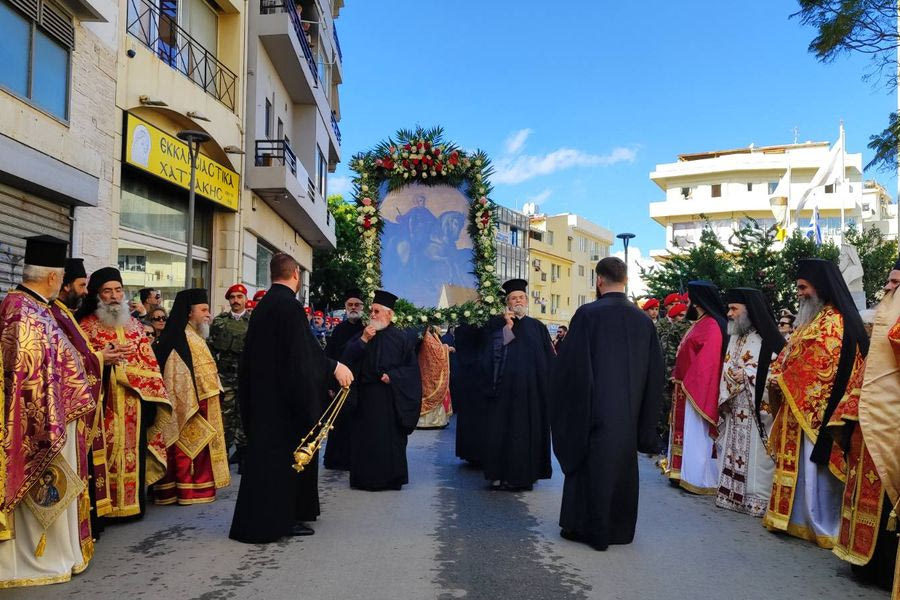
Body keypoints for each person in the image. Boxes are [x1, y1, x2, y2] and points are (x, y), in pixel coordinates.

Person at [229, 253, 353, 543]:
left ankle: (275, 517)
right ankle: (280, 520)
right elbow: (303, 355)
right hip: (281, 403)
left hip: (263, 397)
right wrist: (334, 367)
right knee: (281, 463)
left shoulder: (264, 306)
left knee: (266, 463)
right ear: (295, 274)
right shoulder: (288, 306)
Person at [0, 235, 97, 587]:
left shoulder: (33, 307)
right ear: (54, 278)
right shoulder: (23, 311)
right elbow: (25, 376)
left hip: (59, 416)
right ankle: (35, 561)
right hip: (39, 423)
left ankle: (58, 554)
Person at [550, 256, 663, 551]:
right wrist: (645, 421)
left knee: (590, 470)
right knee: (622, 470)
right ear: (625, 281)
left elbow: (572, 371)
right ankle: (619, 529)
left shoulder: (587, 315)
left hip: (593, 413)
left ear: (599, 281)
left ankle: (587, 528)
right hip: (628, 416)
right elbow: (655, 375)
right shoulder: (644, 321)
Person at [763, 259, 868, 548]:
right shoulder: (814, 319)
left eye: (803, 287)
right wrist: (781, 374)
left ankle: (816, 523)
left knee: (813, 470)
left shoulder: (834, 321)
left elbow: (823, 366)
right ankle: (792, 519)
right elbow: (791, 355)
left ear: (819, 287)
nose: (798, 293)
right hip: (798, 405)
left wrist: (783, 377)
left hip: (818, 411)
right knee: (799, 466)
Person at [76, 267, 173, 519]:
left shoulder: (135, 326)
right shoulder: (85, 327)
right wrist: (105, 363)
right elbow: (77, 365)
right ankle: (105, 508)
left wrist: (129, 373)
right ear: (98, 296)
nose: (114, 296)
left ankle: (131, 506)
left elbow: (149, 363)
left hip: (134, 403)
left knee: (132, 451)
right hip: (102, 403)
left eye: (118, 290)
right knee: (104, 452)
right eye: (107, 291)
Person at [827, 262, 900, 589]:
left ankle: (882, 567)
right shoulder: (885, 319)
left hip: (891, 426)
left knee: (886, 496)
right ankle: (861, 561)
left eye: (895, 283)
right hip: (866, 422)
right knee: (862, 491)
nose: (888, 288)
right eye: (887, 281)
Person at [50, 258, 117, 539]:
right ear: (64, 285)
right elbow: (66, 362)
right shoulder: (56, 315)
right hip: (68, 407)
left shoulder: (63, 313)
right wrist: (103, 357)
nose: (86, 291)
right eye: (81, 285)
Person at [151, 289, 230, 505]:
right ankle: (186, 490)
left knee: (199, 449)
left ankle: (198, 488)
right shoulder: (180, 338)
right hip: (190, 405)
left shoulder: (195, 336)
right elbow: (176, 377)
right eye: (203, 310)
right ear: (189, 313)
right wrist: (191, 405)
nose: (208, 314)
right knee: (186, 449)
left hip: (205, 401)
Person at [342, 290, 422, 491]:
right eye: (372, 311)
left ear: (389, 315)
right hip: (366, 398)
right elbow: (346, 358)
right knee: (365, 440)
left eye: (377, 311)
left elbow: (412, 371)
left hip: (390, 399)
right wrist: (363, 340)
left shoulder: (401, 338)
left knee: (390, 441)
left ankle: (391, 479)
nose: (373, 315)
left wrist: (393, 377)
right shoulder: (364, 334)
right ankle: (365, 479)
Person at [715, 288, 784, 516]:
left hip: (757, 411)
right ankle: (731, 496)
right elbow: (726, 365)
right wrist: (731, 377)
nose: (729, 313)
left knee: (756, 456)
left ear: (749, 311)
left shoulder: (769, 338)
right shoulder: (735, 336)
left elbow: (778, 371)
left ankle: (757, 501)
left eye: (734, 308)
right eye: (729, 308)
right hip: (735, 406)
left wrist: (747, 374)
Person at [482, 279, 555, 491]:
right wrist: (508, 327)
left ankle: (526, 475)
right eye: (514, 298)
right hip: (504, 392)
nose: (518, 301)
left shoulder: (538, 326)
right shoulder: (498, 324)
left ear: (527, 300)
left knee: (527, 433)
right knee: (503, 433)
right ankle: (499, 474)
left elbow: (548, 357)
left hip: (531, 392)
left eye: (521, 297)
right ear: (507, 302)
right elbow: (491, 356)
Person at [665, 280, 726, 494]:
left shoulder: (711, 325)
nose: (688, 302)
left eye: (690, 298)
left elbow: (707, 362)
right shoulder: (698, 322)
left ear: (698, 300)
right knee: (684, 432)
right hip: (684, 386)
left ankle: (698, 477)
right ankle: (680, 472)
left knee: (695, 433)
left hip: (694, 389)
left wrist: (689, 383)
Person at [323, 289, 366, 471]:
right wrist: (330, 385)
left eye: (357, 305)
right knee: (339, 424)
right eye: (350, 305)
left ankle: (357, 459)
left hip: (362, 384)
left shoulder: (368, 330)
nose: (354, 307)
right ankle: (338, 460)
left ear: (363, 307)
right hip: (340, 385)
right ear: (346, 308)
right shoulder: (338, 330)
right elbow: (330, 358)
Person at [208, 284, 250, 465]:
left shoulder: (254, 321)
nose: (236, 300)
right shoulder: (219, 321)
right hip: (225, 376)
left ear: (245, 299)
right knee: (225, 417)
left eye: (239, 296)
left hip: (247, 376)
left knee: (245, 415)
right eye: (232, 297)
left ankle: (244, 457)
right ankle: (222, 458)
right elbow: (210, 346)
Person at [653, 301, 690, 457]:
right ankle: (661, 438)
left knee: (671, 410)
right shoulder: (676, 328)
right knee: (665, 408)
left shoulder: (682, 327)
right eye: (679, 315)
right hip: (670, 374)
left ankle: (666, 439)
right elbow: (666, 351)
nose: (682, 318)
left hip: (677, 375)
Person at [453, 323, 488, 467]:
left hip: (469, 381)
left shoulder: (462, 330)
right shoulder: (487, 329)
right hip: (479, 380)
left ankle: (470, 452)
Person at [417, 325, 453, 429]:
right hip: (429, 372)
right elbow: (437, 351)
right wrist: (447, 348)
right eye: (437, 326)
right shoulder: (427, 337)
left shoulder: (430, 336)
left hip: (428, 371)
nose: (439, 328)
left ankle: (436, 421)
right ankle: (429, 422)